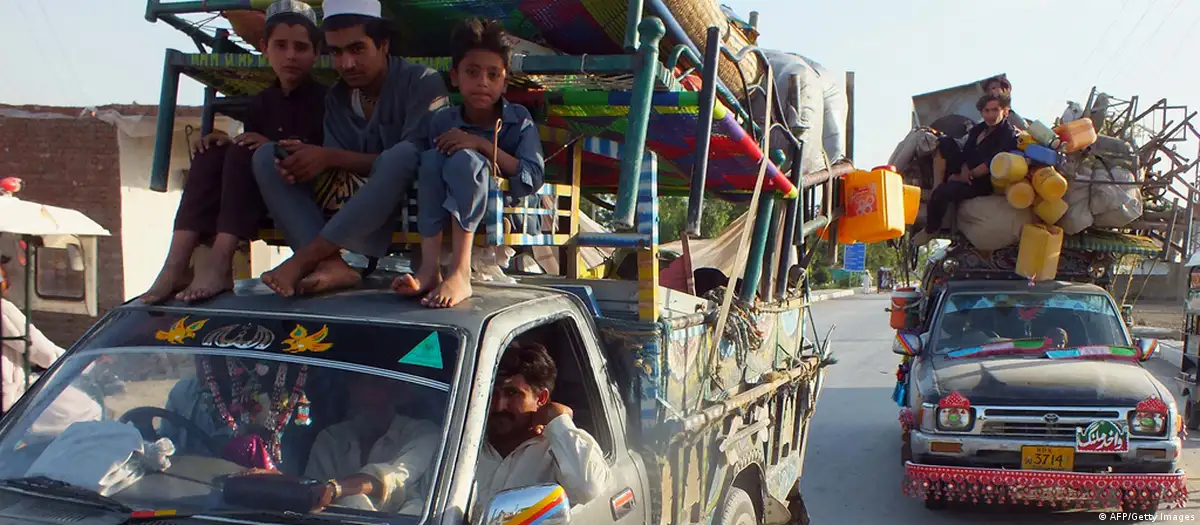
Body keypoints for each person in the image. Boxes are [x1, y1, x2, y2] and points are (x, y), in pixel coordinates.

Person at [253, 0, 450, 297]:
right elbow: (340, 171)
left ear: (383, 44)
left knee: (403, 155)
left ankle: (307, 257)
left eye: (357, 49)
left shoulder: (422, 81)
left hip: (409, 198)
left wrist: (330, 156)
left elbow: (417, 159)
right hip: (353, 204)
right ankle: (332, 264)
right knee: (267, 156)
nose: (346, 63)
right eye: (336, 52)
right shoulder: (338, 98)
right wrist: (304, 159)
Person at [141, 0, 326, 304]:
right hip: (253, 194)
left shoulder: (325, 100)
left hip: (299, 190)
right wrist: (226, 142)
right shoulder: (261, 103)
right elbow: (249, 149)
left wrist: (267, 146)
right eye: (281, 46)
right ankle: (175, 264)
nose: (291, 55)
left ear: (316, 53)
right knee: (210, 152)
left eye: (300, 47)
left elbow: (318, 155)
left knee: (243, 151)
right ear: (265, 48)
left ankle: (220, 263)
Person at [393, 18, 544, 308]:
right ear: (455, 77)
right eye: (472, 72)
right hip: (447, 209)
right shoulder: (442, 120)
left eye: (493, 75)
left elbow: (532, 176)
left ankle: (460, 272)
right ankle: (429, 268)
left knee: (466, 161)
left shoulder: (518, 119)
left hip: (502, 212)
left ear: (504, 82)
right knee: (431, 158)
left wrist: (481, 145)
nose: (482, 82)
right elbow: (431, 175)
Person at [473, 341, 610, 518]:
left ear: (541, 398)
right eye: (493, 393)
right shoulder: (464, 441)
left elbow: (588, 488)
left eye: (512, 394)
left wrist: (559, 421)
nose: (499, 406)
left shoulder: (558, 450)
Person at [304, 374, 440, 514]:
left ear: (394, 390)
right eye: (357, 382)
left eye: (376, 383)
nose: (364, 393)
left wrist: (336, 489)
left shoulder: (425, 434)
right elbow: (313, 494)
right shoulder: (332, 438)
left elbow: (397, 477)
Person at [912, 93, 1019, 246]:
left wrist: (963, 177)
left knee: (942, 193)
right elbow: (966, 153)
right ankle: (938, 184)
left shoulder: (1007, 134)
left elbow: (990, 164)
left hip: (980, 181)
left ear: (1005, 111)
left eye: (995, 110)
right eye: (986, 111)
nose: (990, 115)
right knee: (945, 142)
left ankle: (931, 229)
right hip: (967, 169)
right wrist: (961, 170)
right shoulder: (979, 129)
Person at [1, 266, 67, 412]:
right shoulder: (3, 310)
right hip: (11, 397)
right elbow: (44, 353)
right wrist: (79, 363)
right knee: (87, 409)